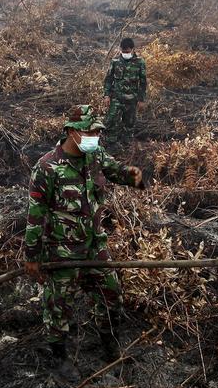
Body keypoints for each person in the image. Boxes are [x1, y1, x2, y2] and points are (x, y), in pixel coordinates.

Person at [25, 105, 145, 364]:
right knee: (58, 308)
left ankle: (109, 344)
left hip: (95, 246)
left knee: (111, 295)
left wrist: (132, 176)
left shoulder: (95, 156)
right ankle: (59, 359)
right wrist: (32, 256)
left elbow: (115, 170)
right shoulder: (46, 167)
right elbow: (36, 214)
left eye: (96, 132)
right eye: (87, 132)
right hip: (62, 252)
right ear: (70, 131)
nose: (93, 137)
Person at [102, 38, 147, 142]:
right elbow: (108, 79)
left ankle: (126, 147)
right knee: (111, 122)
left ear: (132, 49)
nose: (125, 53)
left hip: (131, 100)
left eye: (127, 51)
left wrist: (141, 100)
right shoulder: (115, 62)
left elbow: (143, 83)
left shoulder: (140, 62)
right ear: (120, 49)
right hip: (116, 99)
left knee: (129, 124)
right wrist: (107, 95)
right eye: (123, 51)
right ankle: (111, 145)